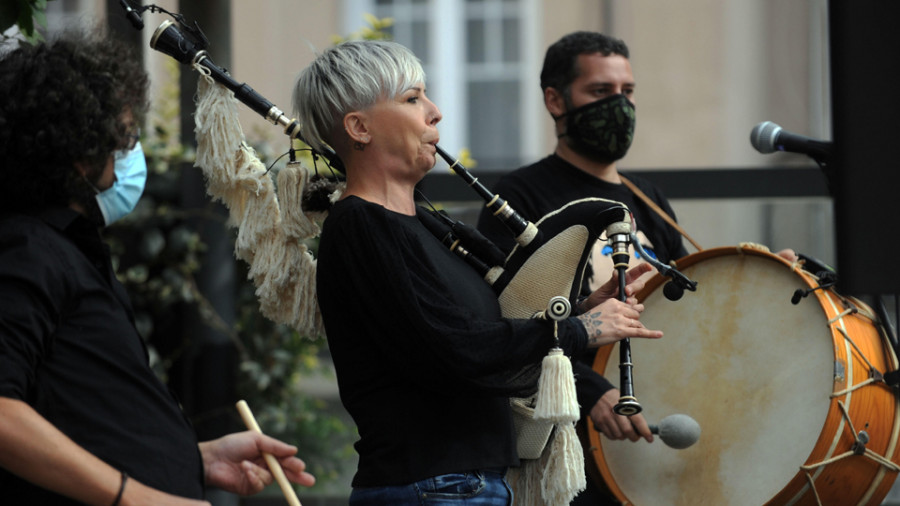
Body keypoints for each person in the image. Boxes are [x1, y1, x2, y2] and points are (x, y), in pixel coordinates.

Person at [292, 39, 662, 505]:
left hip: (461, 485)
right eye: (412, 99)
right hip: (433, 487)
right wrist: (578, 330)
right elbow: (458, 348)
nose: (435, 112)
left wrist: (586, 307)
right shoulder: (363, 225)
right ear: (358, 127)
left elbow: (486, 329)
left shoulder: (419, 222)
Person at [476, 31, 797, 504]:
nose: (620, 106)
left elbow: (686, 310)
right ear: (554, 100)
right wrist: (591, 389)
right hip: (565, 442)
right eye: (600, 92)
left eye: (627, 92)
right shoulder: (520, 198)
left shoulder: (648, 198)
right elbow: (509, 321)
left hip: (651, 432)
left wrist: (762, 281)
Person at [0, 30, 315, 505]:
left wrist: (195, 457)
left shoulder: (65, 249)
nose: (131, 152)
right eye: (125, 137)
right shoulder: (27, 250)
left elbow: (84, 413)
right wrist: (135, 497)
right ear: (81, 151)